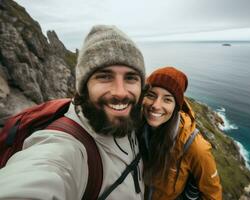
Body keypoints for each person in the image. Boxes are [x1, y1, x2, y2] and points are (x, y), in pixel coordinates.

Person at [0, 25, 145, 200]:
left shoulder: (133, 119)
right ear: (83, 87)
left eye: (130, 78)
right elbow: (38, 177)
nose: (120, 92)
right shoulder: (66, 148)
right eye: (104, 76)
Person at [140, 67, 222, 200]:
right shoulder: (133, 126)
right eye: (151, 95)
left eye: (167, 99)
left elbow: (212, 195)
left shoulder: (195, 147)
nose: (155, 105)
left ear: (176, 107)